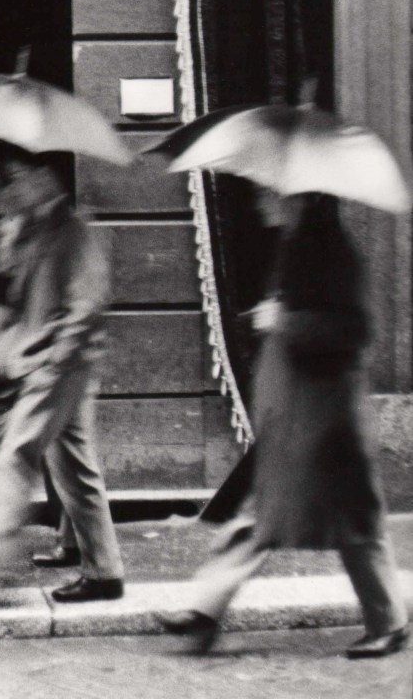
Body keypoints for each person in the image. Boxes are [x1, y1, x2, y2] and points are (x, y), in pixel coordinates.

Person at [158, 189, 410, 658]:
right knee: (261, 514)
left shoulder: (335, 252)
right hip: (296, 415)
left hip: (328, 419)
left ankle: (390, 622)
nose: (259, 200)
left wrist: (284, 320)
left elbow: (355, 330)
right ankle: (205, 609)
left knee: (356, 524)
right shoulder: (297, 245)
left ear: (300, 198)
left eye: (269, 193)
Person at [0, 151, 124, 604]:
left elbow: (87, 305)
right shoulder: (35, 229)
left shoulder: (75, 229)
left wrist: (53, 361)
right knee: (73, 467)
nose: (13, 187)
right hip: (42, 365)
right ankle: (101, 568)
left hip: (59, 368)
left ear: (45, 177)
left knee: (13, 458)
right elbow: (18, 292)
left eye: (19, 177)